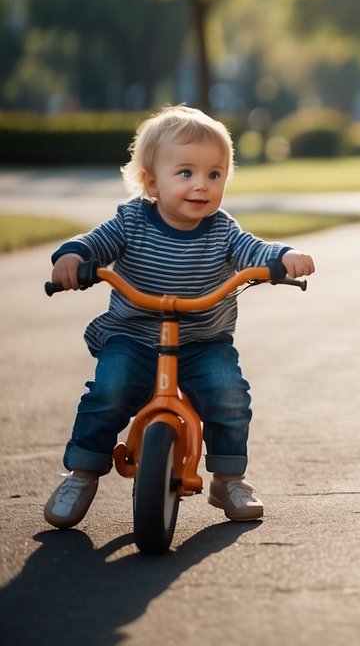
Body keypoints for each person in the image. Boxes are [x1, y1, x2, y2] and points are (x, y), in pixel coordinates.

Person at [43, 104, 316, 529]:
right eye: (185, 173)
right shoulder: (132, 221)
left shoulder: (222, 229)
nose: (201, 185)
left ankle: (228, 479)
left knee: (229, 396)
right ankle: (82, 472)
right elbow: (97, 242)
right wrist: (75, 258)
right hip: (133, 336)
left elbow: (253, 249)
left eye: (214, 174)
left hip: (203, 342)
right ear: (152, 182)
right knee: (108, 392)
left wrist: (282, 257)